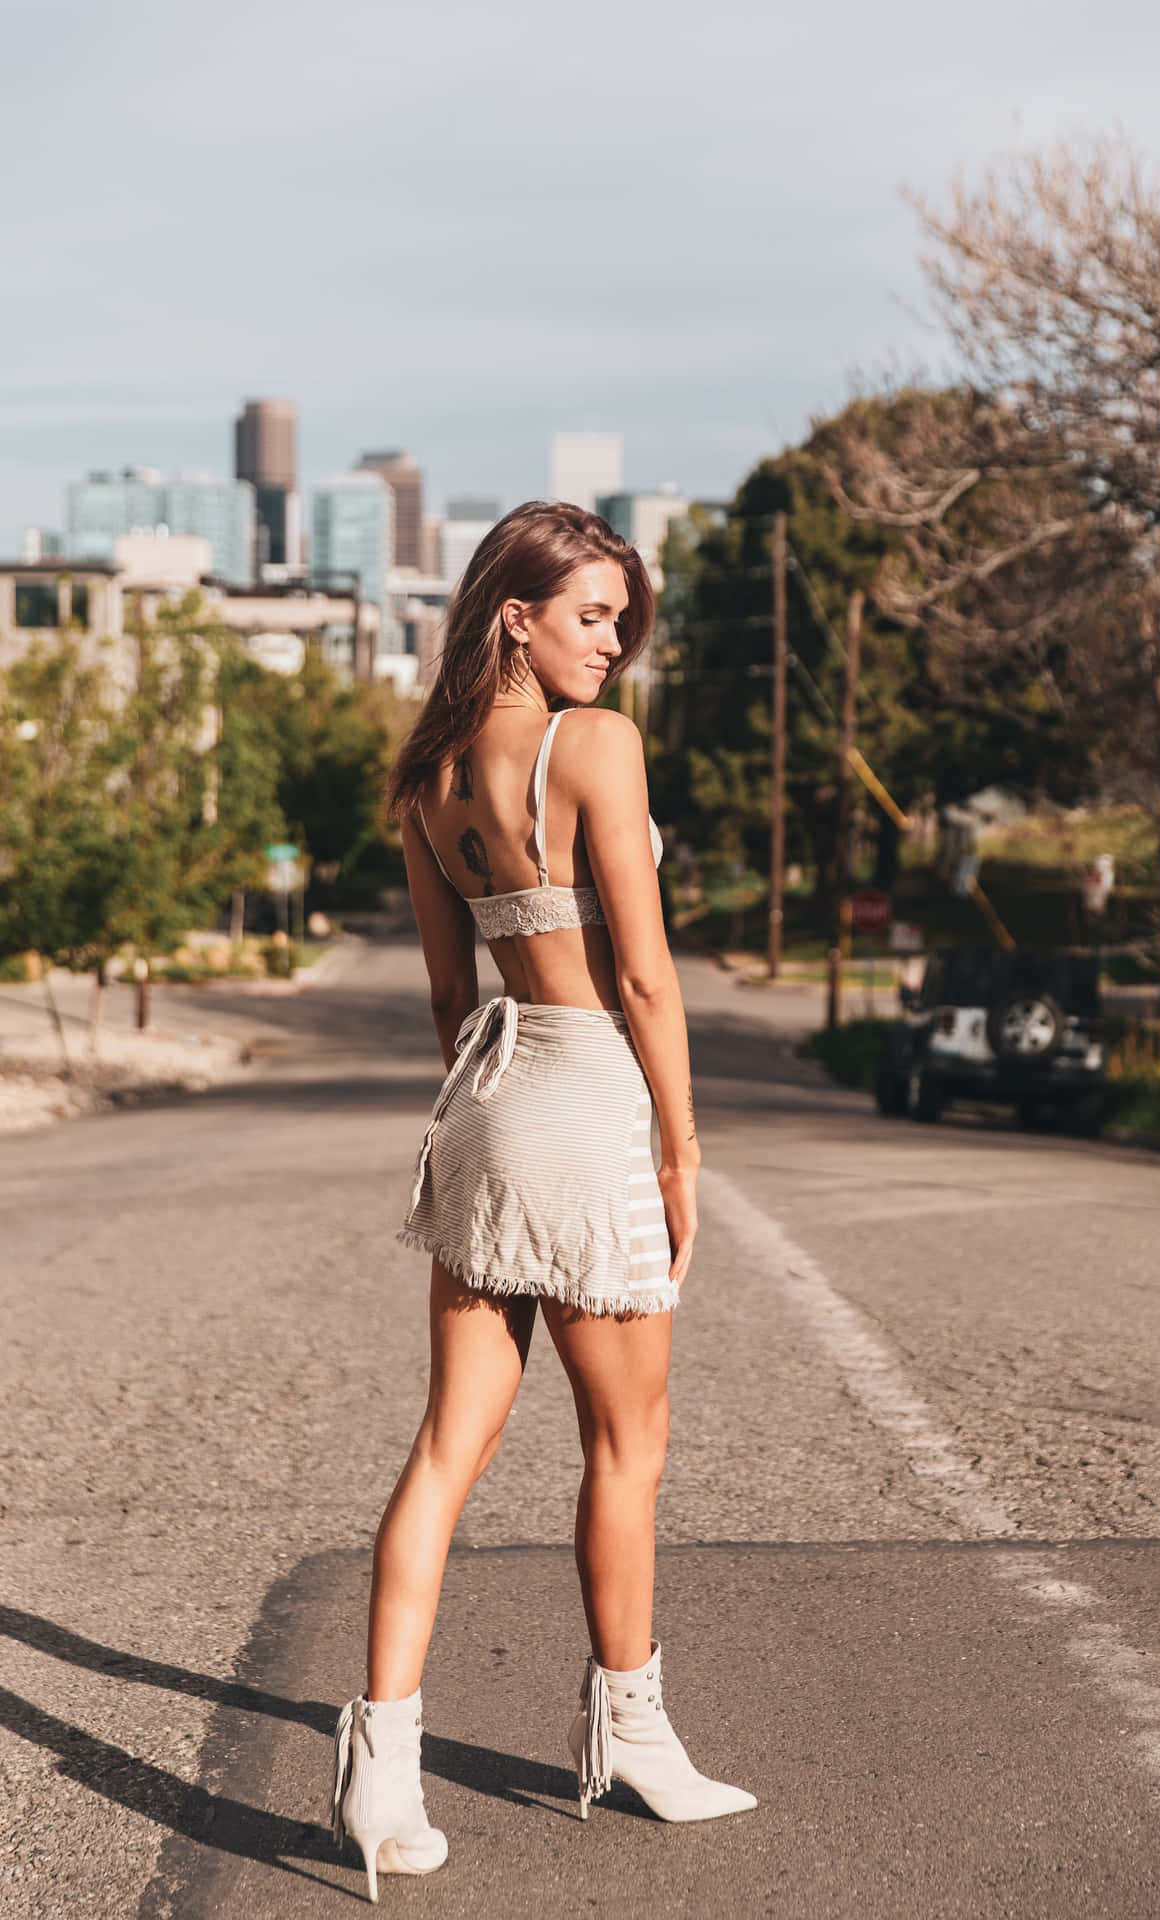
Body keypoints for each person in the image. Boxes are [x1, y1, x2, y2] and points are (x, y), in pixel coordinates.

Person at [329, 500, 756, 1900]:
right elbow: (642, 979)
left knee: (450, 1445)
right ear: (515, 616)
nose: (616, 645)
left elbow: (454, 1000)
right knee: (628, 1443)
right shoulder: (597, 750)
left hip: (487, 1095)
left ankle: (379, 1763)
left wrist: (487, 1117)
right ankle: (629, 1733)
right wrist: (681, 1152)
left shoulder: (432, 774)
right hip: (584, 1099)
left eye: (623, 621)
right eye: (591, 616)